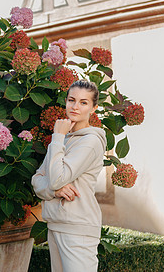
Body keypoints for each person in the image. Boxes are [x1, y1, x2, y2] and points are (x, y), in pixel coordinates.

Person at [31, 79, 106, 272]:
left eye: (83, 102)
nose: (75, 107)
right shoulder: (62, 139)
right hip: (56, 225)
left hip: (78, 229)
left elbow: (57, 178)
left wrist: (57, 137)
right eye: (71, 100)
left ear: (93, 108)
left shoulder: (90, 142)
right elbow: (37, 179)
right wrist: (54, 192)